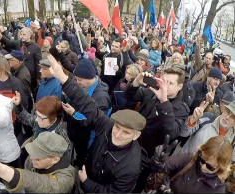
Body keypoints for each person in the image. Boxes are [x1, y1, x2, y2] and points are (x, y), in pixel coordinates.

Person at [48, 54, 145, 193]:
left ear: (136, 135)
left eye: (126, 132)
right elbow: (87, 104)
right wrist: (63, 78)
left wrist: (86, 183)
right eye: (117, 127)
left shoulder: (131, 165)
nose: (117, 134)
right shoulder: (107, 126)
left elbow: (113, 192)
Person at [0, 132, 76, 193]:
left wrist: (1, 169)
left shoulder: (66, 177)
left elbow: (44, 185)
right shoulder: (31, 160)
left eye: (38, 157)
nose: (32, 158)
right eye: (32, 152)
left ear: (55, 159)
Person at [124, 68, 190, 157]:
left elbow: (172, 133)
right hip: (131, 139)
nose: (165, 86)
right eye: (164, 81)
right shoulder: (152, 92)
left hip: (147, 153)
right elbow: (128, 96)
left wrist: (164, 101)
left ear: (180, 86)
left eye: (170, 83)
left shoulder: (182, 109)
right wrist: (136, 82)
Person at [62, 58, 112, 166]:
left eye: (79, 79)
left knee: (83, 157)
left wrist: (74, 113)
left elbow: (94, 122)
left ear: (89, 78)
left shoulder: (101, 98)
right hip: (78, 133)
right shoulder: (86, 87)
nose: (77, 82)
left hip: (88, 139)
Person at [151, 136, 232, 193]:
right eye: (202, 160)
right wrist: (158, 163)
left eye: (210, 167)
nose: (203, 167)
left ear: (221, 168)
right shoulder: (189, 159)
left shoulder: (218, 189)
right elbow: (163, 167)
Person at [0, 26, 42, 102]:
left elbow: (38, 63)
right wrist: (0, 35)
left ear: (29, 35)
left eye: (24, 34)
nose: (22, 36)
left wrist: (39, 77)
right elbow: (9, 43)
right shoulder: (19, 43)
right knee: (23, 93)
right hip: (19, 73)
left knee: (35, 94)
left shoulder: (35, 47)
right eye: (21, 34)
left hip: (32, 76)